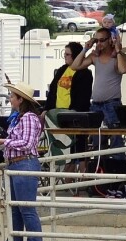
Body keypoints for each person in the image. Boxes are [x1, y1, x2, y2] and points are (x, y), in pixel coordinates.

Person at [0, 82, 43, 241]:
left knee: (26, 210)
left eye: (12, 96)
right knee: (18, 211)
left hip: (24, 164)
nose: (9, 98)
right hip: (17, 165)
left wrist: (5, 142)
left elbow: (28, 143)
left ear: (20, 99)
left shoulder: (28, 118)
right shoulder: (21, 117)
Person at [70, 28, 126, 152]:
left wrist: (118, 51)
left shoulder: (118, 56)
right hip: (96, 104)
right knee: (97, 141)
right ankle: (100, 167)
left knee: (116, 140)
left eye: (102, 40)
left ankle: (118, 167)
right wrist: (85, 48)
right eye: (96, 41)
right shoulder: (94, 56)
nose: (99, 44)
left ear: (110, 40)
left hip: (112, 104)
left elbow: (123, 69)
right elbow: (75, 66)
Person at [43, 41, 92, 175]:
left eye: (68, 54)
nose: (65, 56)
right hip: (58, 113)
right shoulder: (62, 69)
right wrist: (47, 108)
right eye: (64, 54)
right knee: (63, 143)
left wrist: (76, 110)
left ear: (75, 55)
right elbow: (53, 90)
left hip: (75, 113)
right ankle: (66, 174)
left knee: (80, 143)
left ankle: (83, 175)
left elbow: (84, 95)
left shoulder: (84, 73)